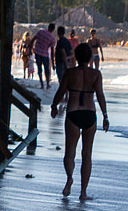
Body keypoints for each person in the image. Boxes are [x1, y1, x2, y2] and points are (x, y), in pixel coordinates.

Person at [51, 40, 109, 197]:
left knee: (70, 153)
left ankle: (69, 178)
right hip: (90, 114)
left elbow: (61, 92)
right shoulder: (96, 74)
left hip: (73, 113)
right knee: (87, 155)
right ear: (90, 57)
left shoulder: (70, 73)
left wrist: (54, 106)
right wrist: (105, 116)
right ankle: (83, 192)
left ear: (76, 57)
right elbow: (100, 95)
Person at [33, 23, 57, 88]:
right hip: (45, 54)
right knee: (46, 69)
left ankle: (42, 84)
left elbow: (33, 39)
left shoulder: (40, 32)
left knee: (39, 68)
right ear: (53, 29)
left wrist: (31, 48)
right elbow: (52, 51)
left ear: (48, 27)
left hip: (37, 52)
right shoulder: (52, 38)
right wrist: (53, 62)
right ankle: (47, 84)